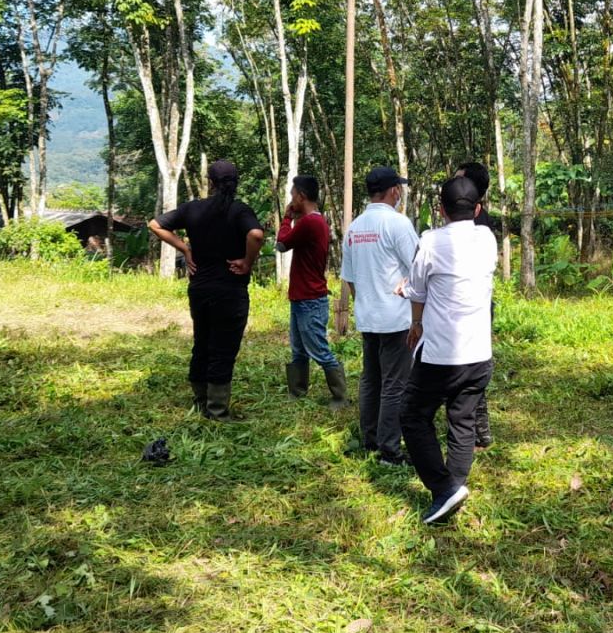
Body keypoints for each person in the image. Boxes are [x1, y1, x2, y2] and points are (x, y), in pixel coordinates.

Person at [400, 177, 497, 524]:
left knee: (412, 416)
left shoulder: (431, 240)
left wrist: (415, 322)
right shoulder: (487, 239)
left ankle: (444, 489)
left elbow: (418, 291)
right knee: (463, 419)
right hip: (479, 354)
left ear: (440, 210)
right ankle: (455, 489)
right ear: (478, 209)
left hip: (441, 354)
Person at [149, 160, 265, 421]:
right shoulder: (239, 210)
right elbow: (256, 235)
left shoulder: (193, 209)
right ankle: (217, 409)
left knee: (202, 341)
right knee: (223, 348)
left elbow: (155, 225)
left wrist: (185, 248)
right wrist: (247, 262)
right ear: (236, 183)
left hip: (199, 288)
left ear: (210, 183)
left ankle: (201, 399)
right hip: (230, 291)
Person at [341, 166, 419, 466]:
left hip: (369, 316)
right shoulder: (397, 224)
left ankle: (370, 438)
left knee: (371, 379)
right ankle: (390, 450)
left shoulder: (356, 227)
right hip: (396, 318)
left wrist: (366, 303)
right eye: (399, 188)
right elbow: (418, 267)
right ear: (393, 191)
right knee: (395, 384)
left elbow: (349, 276)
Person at [276, 175, 349, 408]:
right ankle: (297, 391)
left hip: (310, 298)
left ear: (301, 196)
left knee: (319, 349)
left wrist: (287, 217)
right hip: (302, 297)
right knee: (299, 349)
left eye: (292, 195)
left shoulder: (311, 223)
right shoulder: (314, 222)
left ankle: (340, 397)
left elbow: (281, 244)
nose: (290, 200)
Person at [454, 162, 499, 449]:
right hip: (479, 306)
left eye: (458, 181)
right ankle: (480, 431)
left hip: (469, 308)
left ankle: (472, 432)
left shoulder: (475, 226)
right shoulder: (482, 224)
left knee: (468, 372)